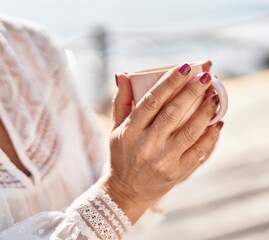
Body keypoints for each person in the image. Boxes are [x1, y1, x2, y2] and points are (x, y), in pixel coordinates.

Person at [0, 15, 223, 239]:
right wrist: (124, 193)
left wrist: (152, 173)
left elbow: (99, 170)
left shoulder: (31, 45)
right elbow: (118, 192)